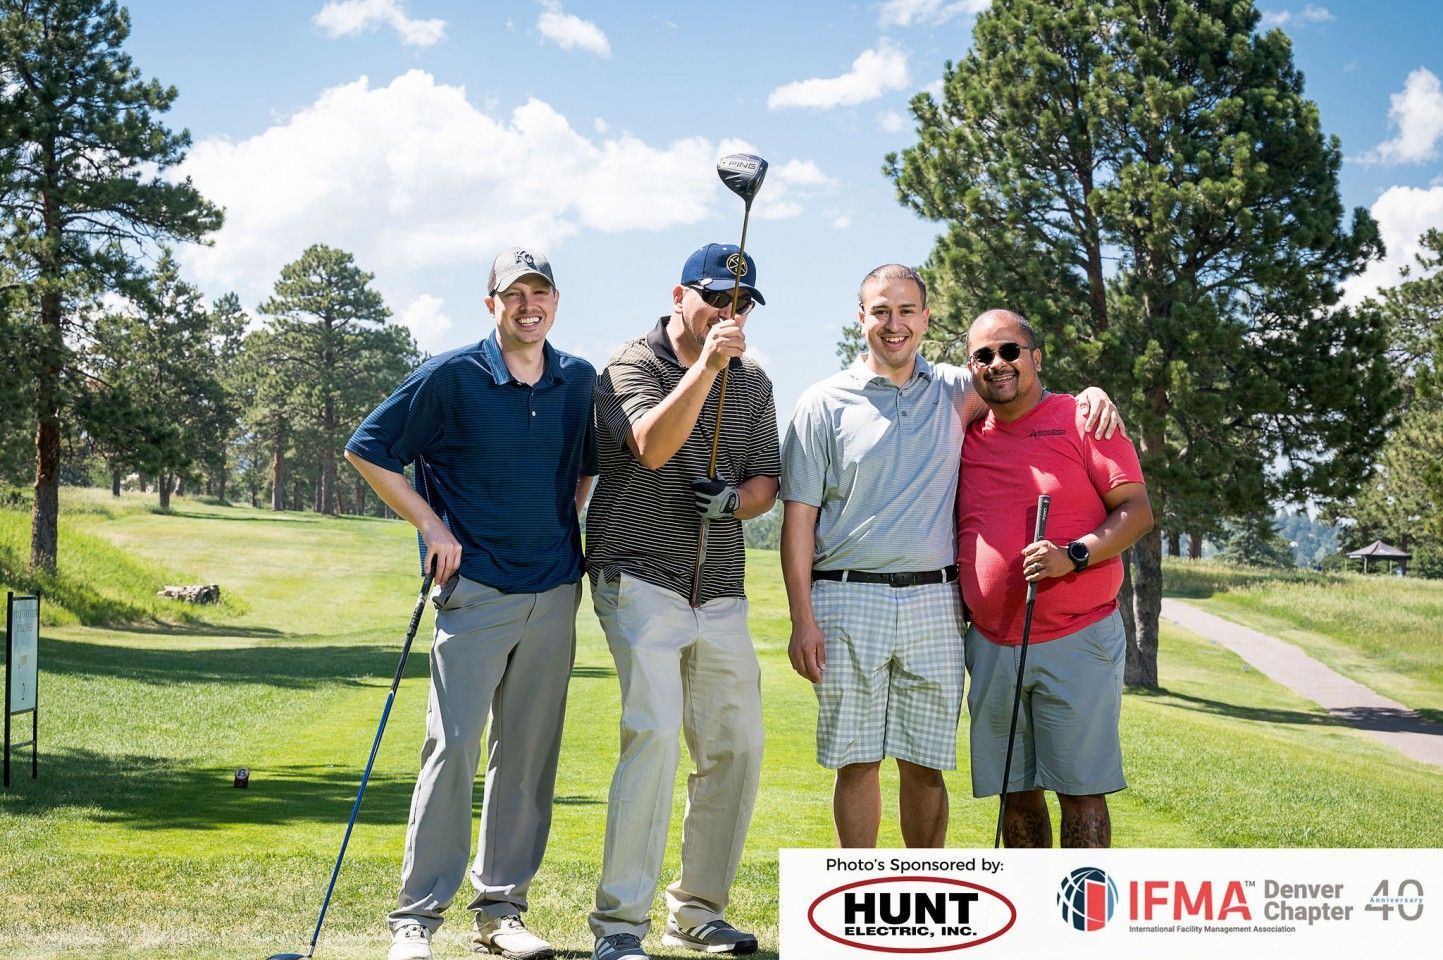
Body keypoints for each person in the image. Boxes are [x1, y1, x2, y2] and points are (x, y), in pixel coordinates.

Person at [780, 265, 1118, 848]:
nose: (895, 324)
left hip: (935, 601)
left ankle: (918, 898)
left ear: (926, 319)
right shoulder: (822, 403)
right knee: (856, 763)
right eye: (881, 311)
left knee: (924, 763)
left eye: (907, 311)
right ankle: (858, 905)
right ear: (860, 318)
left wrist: (1089, 394)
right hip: (845, 595)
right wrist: (801, 618)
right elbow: (799, 522)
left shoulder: (955, 389)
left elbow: (1022, 384)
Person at [345, 248, 596, 960]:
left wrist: (559, 535)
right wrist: (430, 524)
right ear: (491, 304)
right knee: (451, 748)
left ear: (555, 300)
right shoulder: (450, 376)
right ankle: (415, 920)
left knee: (525, 757)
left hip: (552, 590)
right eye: (513, 294)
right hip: (476, 588)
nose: (528, 306)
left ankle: (502, 912)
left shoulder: (578, 379)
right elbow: (367, 448)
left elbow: (582, 472)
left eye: (539, 292)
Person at [584, 242, 780, 960]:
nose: (729, 313)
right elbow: (651, 446)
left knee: (737, 748)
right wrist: (706, 367)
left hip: (719, 587)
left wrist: (734, 503)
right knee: (656, 736)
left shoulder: (754, 383)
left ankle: (697, 912)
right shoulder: (629, 363)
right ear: (679, 295)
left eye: (740, 304)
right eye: (716, 299)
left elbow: (765, 481)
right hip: (637, 574)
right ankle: (618, 927)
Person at [957, 308, 1152, 848]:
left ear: (1035, 358)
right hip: (994, 644)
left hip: (1076, 635)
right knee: (1015, 792)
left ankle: (1083, 924)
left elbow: (1135, 510)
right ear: (971, 368)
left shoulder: (1083, 420)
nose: (998, 363)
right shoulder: (967, 433)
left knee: (1081, 789)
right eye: (983, 355)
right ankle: (1027, 919)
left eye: (1010, 351)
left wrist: (1076, 554)